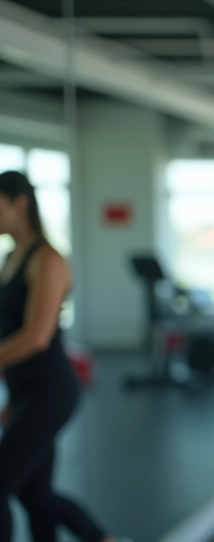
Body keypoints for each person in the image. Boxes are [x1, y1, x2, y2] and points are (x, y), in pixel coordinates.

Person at [0, 171, 122, 542]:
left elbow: (36, 338)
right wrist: (13, 398)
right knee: (35, 494)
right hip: (25, 392)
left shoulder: (48, 260)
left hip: (51, 392)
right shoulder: (10, 257)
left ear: (19, 203)